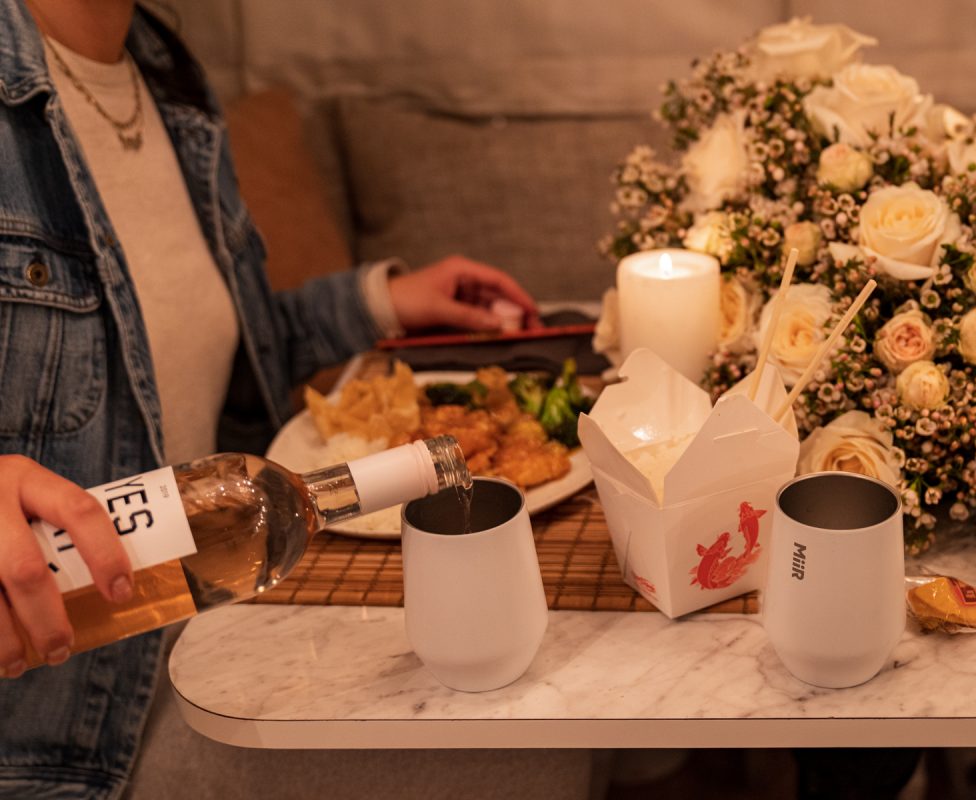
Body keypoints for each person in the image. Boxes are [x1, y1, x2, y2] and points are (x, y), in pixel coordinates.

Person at [0, 2, 598, 798]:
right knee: (525, 751)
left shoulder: (162, 74)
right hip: (76, 729)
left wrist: (377, 303)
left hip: (213, 604)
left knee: (568, 672)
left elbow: (192, 359)